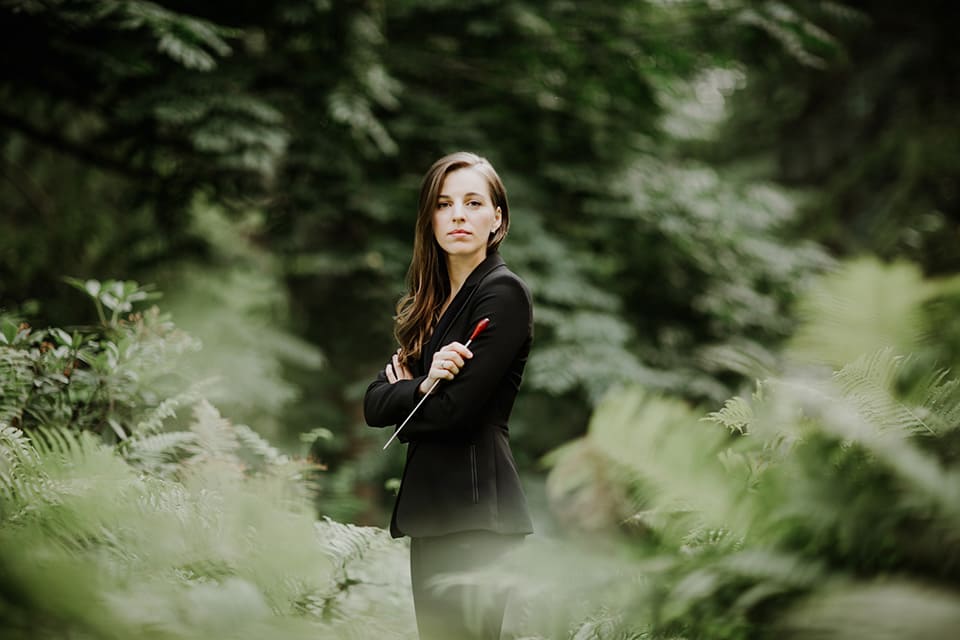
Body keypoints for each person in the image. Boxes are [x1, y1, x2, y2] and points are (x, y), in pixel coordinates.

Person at [363, 151, 534, 640]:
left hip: (477, 514)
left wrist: (406, 396)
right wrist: (418, 387)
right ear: (430, 219)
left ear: (496, 218)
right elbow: (373, 404)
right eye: (444, 204)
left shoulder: (503, 293)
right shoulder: (429, 306)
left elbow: (453, 413)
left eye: (473, 201)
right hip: (432, 512)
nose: (458, 214)